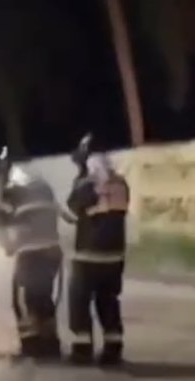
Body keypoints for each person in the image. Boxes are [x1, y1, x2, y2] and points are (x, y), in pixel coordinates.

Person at [0, 147, 64, 362]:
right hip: (52, 252)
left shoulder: (11, 190)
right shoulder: (43, 186)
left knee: (23, 303)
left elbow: (1, 223)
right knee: (43, 298)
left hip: (31, 252)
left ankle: (31, 346)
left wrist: (7, 246)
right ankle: (51, 345)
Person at [66, 141, 130, 367]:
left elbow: (72, 209)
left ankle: (82, 350)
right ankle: (113, 349)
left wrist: (81, 180)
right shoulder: (121, 183)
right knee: (109, 301)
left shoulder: (86, 184)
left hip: (88, 256)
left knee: (79, 301)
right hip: (115, 256)